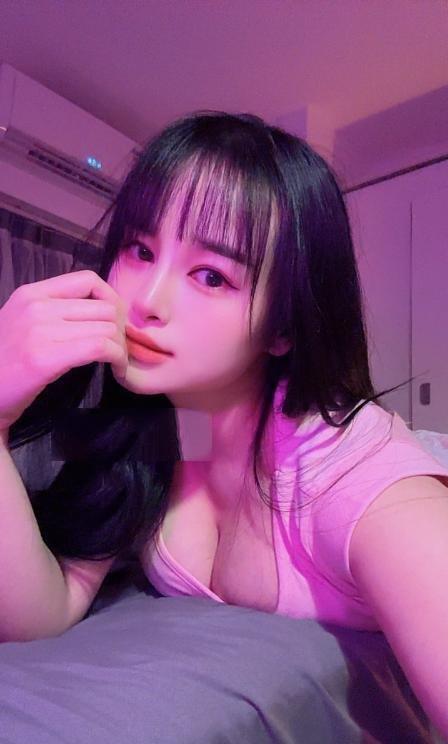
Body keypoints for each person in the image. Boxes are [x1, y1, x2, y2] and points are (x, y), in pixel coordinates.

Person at [1, 111, 448, 735]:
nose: (146, 301)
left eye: (211, 276)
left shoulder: (352, 478)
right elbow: (39, 614)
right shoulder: (161, 428)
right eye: (140, 250)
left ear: (283, 327)